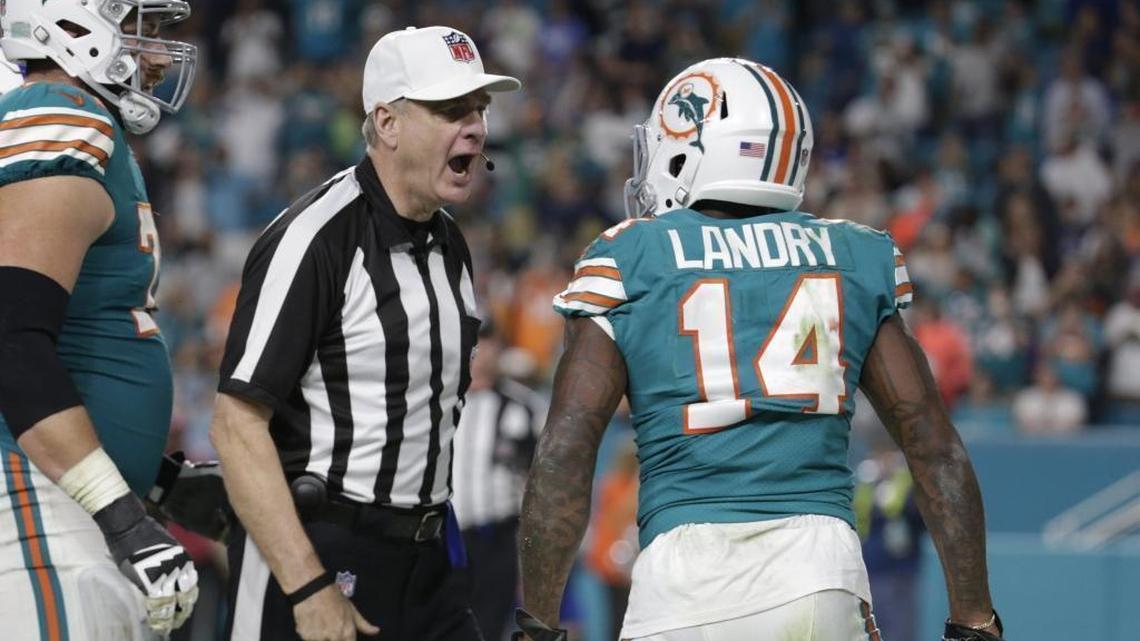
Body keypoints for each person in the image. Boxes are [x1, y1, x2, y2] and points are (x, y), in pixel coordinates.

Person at [515, 58, 1004, 641]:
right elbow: (932, 444)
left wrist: (538, 625)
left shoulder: (631, 257)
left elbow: (567, 447)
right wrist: (975, 618)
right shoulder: (852, 254)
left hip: (682, 582)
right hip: (820, 573)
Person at [209, 25, 520, 641]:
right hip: (319, 550)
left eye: (479, 109)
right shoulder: (314, 237)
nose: (477, 126)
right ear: (387, 122)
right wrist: (307, 583)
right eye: (450, 109)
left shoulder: (449, 241)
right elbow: (235, 422)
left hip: (427, 562)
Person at [0, 1, 202, 639]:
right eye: (148, 31)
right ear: (73, 25)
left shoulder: (83, 123)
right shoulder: (56, 113)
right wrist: (121, 515)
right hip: (38, 506)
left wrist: (158, 484)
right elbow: (11, 338)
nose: (158, 56)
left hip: (63, 506)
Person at [451, 323, 546, 641]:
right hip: (446, 538)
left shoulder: (523, 407)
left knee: (489, 628)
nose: (479, 352)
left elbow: (540, 482)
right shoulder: (441, 402)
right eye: (474, 343)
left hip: (496, 537)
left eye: (487, 342)